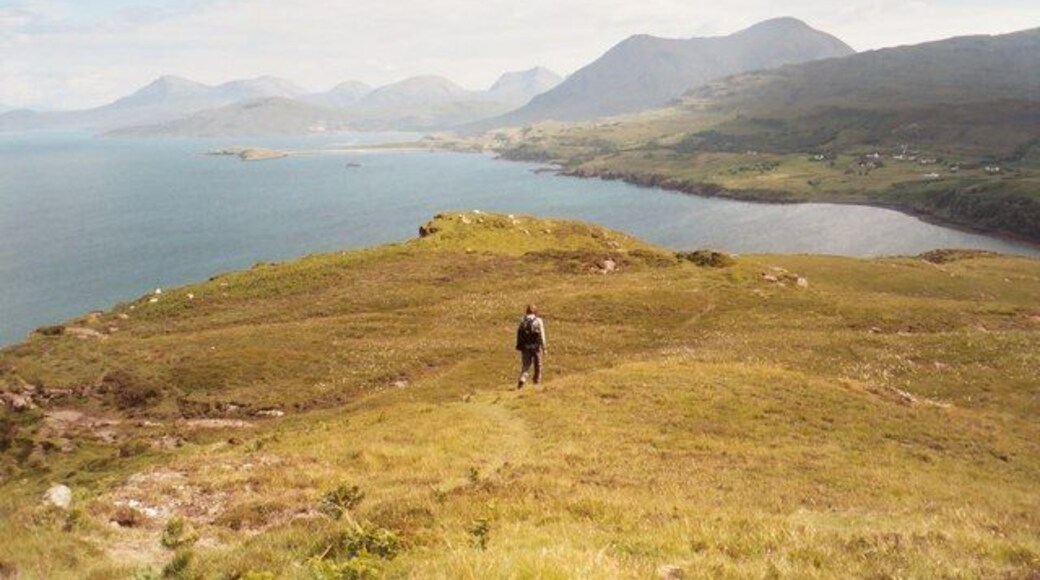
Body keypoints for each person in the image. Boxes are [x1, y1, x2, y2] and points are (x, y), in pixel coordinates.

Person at [515, 304, 547, 389]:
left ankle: (522, 379)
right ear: (535, 311)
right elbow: (542, 335)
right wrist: (544, 348)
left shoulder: (522, 320)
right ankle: (537, 383)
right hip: (536, 347)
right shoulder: (538, 320)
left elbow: (519, 334)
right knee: (538, 365)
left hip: (525, 347)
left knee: (526, 365)